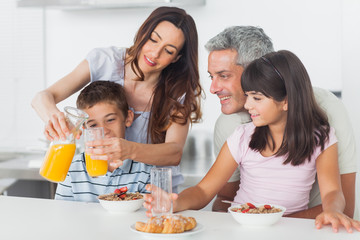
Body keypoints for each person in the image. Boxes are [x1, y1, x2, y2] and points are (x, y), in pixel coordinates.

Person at [144, 50, 360, 233]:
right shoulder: (243, 136)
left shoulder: (321, 139)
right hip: (240, 228)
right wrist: (177, 202)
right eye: (247, 96)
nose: (248, 105)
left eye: (257, 98)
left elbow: (332, 191)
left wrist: (332, 210)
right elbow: (203, 191)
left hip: (287, 231)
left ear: (286, 101)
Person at [31, 7, 203, 193]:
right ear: (143, 32)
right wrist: (54, 118)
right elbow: (42, 98)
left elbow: (174, 152)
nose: (154, 54)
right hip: (102, 186)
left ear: (177, 58)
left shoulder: (178, 89)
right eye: (153, 40)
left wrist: (128, 149)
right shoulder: (105, 61)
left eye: (168, 51)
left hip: (154, 192)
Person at [206, 26, 357, 218]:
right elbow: (224, 198)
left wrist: (272, 224)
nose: (213, 88)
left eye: (223, 75)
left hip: (311, 225)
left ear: (259, 71)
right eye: (212, 77)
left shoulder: (328, 112)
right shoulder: (232, 126)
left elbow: (345, 207)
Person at [55, 81, 154, 202]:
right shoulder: (73, 169)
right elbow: (62, 214)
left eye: (110, 120)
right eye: (93, 125)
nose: (103, 131)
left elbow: (147, 215)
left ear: (128, 118)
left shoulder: (145, 170)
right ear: (85, 129)